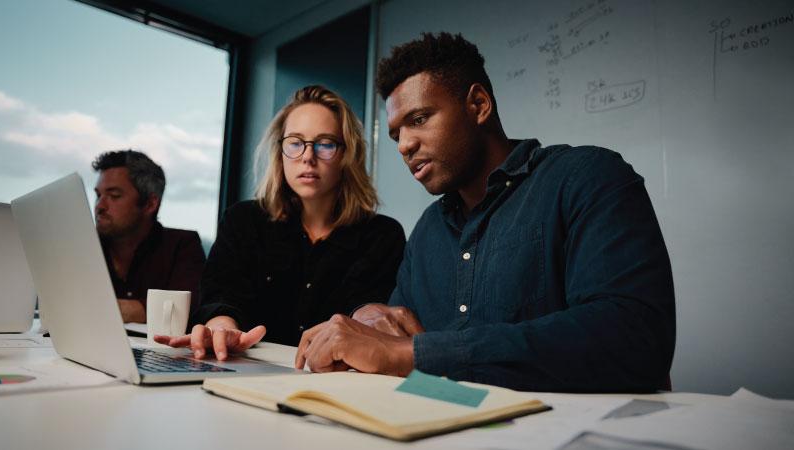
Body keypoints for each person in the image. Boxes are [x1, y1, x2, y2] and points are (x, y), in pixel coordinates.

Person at [294, 33, 676, 393]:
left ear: (478, 105)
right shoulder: (428, 230)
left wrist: (411, 355)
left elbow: (636, 337)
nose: (405, 145)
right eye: (396, 134)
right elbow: (390, 337)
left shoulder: (586, 178)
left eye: (419, 119)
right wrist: (371, 319)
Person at [155, 85, 406, 360]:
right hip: (243, 369)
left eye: (325, 144)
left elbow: (369, 315)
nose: (308, 157)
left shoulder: (383, 235)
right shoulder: (243, 221)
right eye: (296, 143)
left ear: (347, 155)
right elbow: (222, 295)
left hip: (333, 379)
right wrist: (222, 326)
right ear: (280, 152)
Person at [92, 150, 206, 323]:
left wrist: (95, 308)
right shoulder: (86, 247)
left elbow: (186, 311)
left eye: (114, 196)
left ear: (150, 204)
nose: (99, 205)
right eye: (98, 195)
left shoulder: (181, 245)